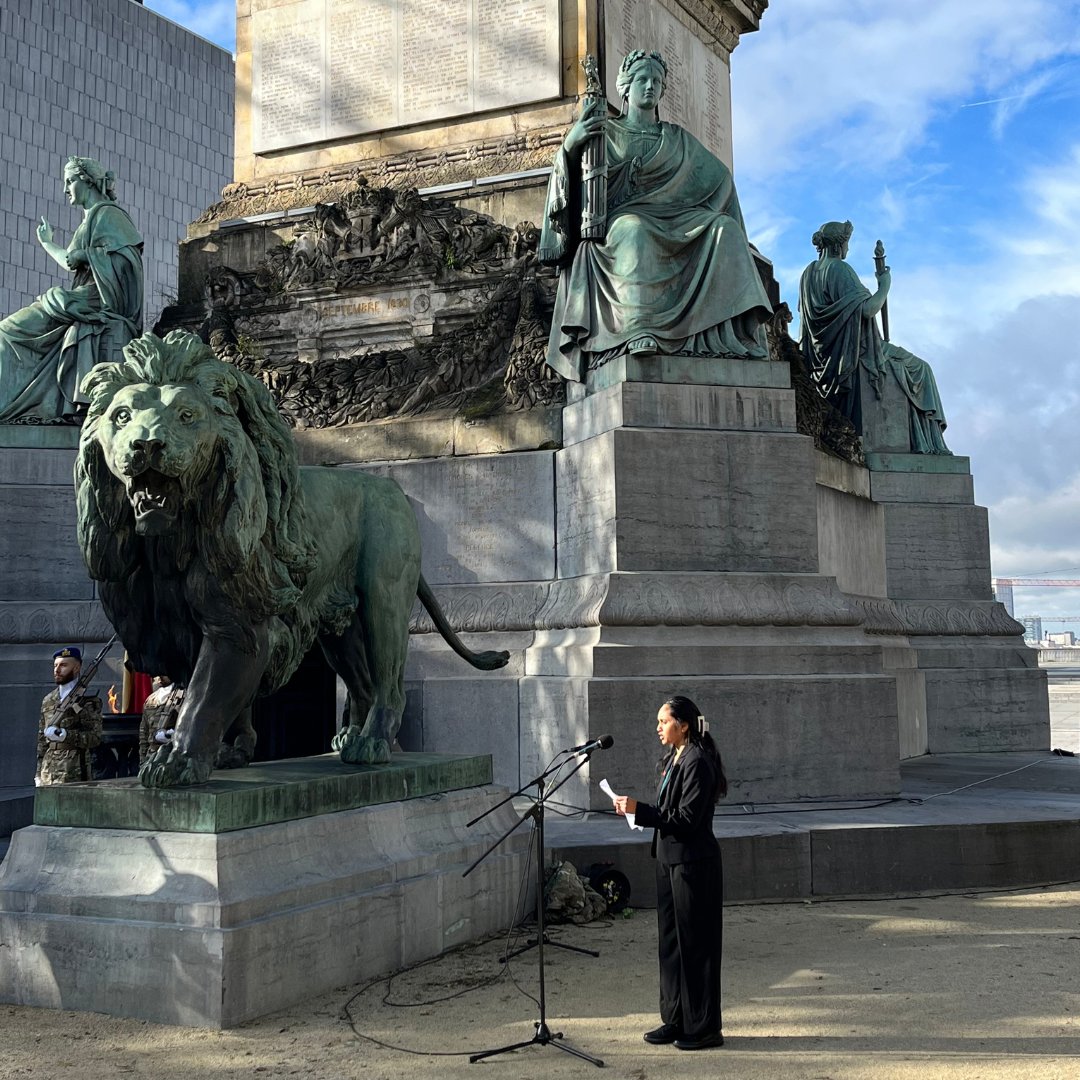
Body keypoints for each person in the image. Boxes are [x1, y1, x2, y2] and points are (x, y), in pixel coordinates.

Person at [540, 49, 771, 382]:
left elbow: (721, 179)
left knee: (725, 229)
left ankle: (729, 335)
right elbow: (576, 187)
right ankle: (637, 329)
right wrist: (571, 145)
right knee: (634, 230)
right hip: (624, 220)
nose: (650, 86)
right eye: (642, 79)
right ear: (625, 86)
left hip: (675, 217)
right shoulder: (606, 133)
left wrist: (705, 211)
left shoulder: (677, 139)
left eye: (656, 81)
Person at [612, 695, 727, 1051]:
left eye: (664, 722)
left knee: (696, 946)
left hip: (694, 864)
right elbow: (668, 811)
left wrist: (641, 811)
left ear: (684, 725)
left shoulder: (698, 762)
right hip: (668, 860)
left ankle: (704, 1027)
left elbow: (687, 819)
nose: (658, 728)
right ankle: (676, 1019)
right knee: (672, 947)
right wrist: (635, 812)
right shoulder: (674, 757)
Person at [0, 156, 143, 423]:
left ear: (88, 182)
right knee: (8, 331)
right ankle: (19, 404)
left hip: (94, 300)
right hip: (78, 299)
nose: (65, 189)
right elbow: (70, 260)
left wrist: (87, 256)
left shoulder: (109, 214)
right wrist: (48, 243)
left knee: (8, 330)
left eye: (70, 181)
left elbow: (128, 262)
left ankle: (19, 405)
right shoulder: (90, 219)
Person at [798, 220, 950, 453]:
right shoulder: (839, 269)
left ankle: (925, 444)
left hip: (826, 356)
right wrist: (884, 285)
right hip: (856, 349)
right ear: (838, 245)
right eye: (847, 243)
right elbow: (868, 310)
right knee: (922, 370)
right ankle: (927, 445)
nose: (848, 248)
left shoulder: (808, 274)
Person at [35, 646, 103, 786]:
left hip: (75, 771)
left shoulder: (87, 701)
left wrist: (66, 735)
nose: (57, 670)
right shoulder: (48, 700)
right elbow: (42, 742)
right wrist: (38, 774)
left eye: (63, 665)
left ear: (77, 668)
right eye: (55, 665)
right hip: (48, 772)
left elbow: (94, 738)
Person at [138, 675, 183, 766]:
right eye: (158, 674)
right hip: (151, 757)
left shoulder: (182, 696)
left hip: (171, 757)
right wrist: (143, 759)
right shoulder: (150, 700)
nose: (160, 677)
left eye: (163, 673)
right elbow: (144, 733)